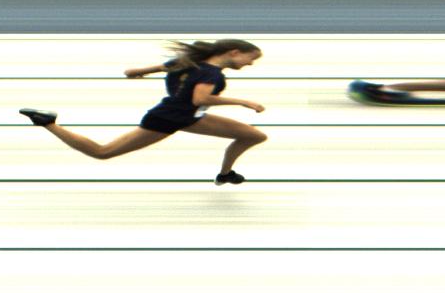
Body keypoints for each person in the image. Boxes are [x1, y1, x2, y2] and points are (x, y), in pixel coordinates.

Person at [17, 39, 268, 185]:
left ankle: (225, 175)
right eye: (250, 58)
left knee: (254, 135)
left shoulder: (186, 62)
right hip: (168, 119)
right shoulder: (211, 74)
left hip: (190, 117)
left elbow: (135, 71)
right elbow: (200, 98)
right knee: (102, 152)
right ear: (234, 52)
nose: (250, 64)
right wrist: (243, 102)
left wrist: (139, 73)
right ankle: (48, 123)